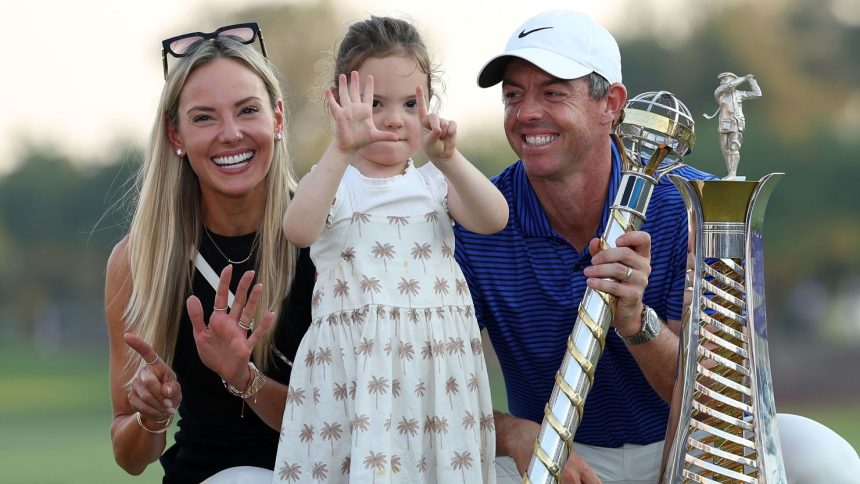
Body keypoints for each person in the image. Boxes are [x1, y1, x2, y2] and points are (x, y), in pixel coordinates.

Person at [454, 9, 860, 484]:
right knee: (458, 467)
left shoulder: (696, 208)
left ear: (612, 105)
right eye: (513, 95)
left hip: (688, 439)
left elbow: (718, 397)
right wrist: (514, 435)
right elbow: (437, 378)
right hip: (556, 449)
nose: (526, 113)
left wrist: (635, 321)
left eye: (553, 93)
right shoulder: (476, 218)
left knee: (822, 457)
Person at [273, 15, 507, 483]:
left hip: (436, 375)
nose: (393, 118)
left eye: (409, 104)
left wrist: (452, 160)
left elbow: (494, 217)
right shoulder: (336, 181)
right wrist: (339, 151)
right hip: (359, 377)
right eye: (374, 103)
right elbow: (297, 230)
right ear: (339, 103)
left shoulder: (434, 182)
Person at [105, 24, 314, 483]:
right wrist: (151, 415)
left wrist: (244, 377)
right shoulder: (139, 260)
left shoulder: (331, 238)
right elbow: (129, 456)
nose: (230, 133)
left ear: (277, 119)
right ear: (175, 136)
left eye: (248, 110)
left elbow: (345, 417)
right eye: (203, 118)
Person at [704, 71, 762, 179]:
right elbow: (729, 86)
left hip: (736, 122)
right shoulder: (719, 93)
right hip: (724, 123)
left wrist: (751, 80)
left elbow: (757, 94)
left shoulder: (739, 94)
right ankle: (730, 172)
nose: (722, 82)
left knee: (734, 147)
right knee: (725, 149)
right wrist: (743, 78)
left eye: (725, 79)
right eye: (721, 80)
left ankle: (732, 174)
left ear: (732, 78)